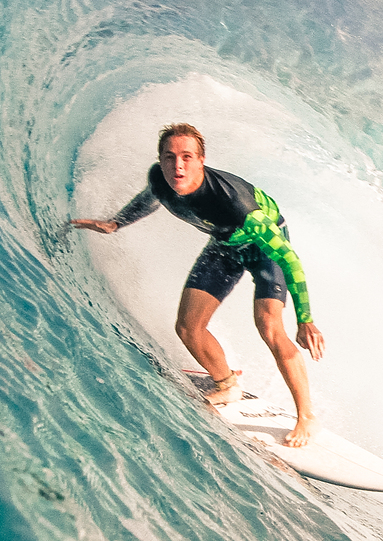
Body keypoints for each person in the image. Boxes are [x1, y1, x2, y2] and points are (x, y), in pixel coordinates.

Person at [71, 123, 325, 447]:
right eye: (169, 157)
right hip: (225, 244)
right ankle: (226, 384)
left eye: (186, 157)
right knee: (188, 327)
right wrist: (116, 222)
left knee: (269, 325)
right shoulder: (161, 180)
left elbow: (289, 258)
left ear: (201, 160)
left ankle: (307, 417)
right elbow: (151, 198)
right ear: (160, 160)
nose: (177, 165)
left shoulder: (237, 204)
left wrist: (305, 320)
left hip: (264, 249)